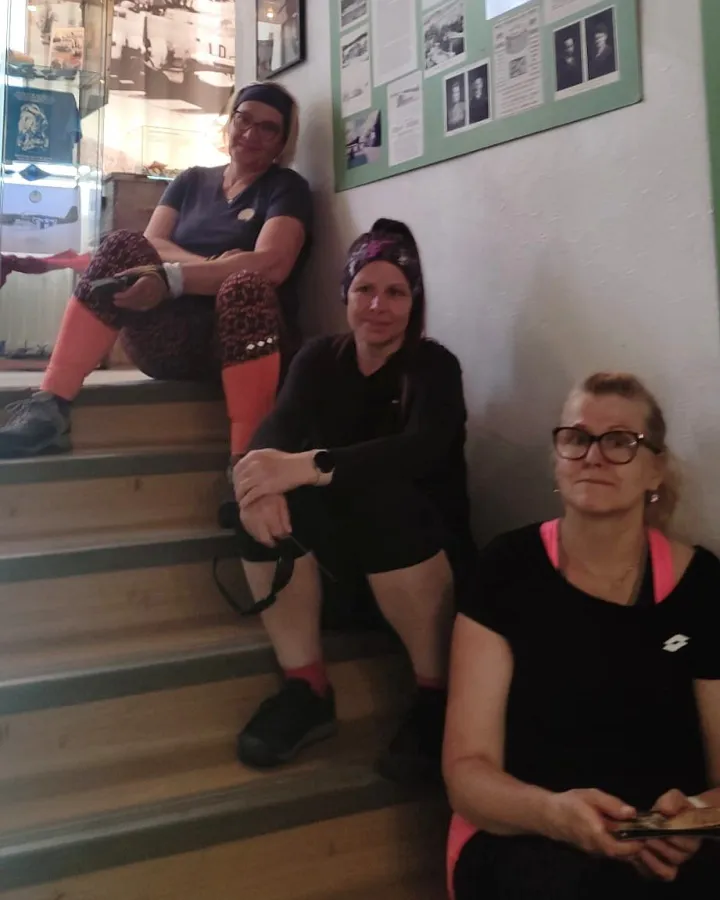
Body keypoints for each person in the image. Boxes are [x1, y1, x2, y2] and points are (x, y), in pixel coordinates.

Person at [444, 373, 720, 899]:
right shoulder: (506, 568)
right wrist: (554, 815)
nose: (593, 455)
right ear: (558, 459)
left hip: (667, 847)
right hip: (529, 834)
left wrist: (694, 819)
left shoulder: (703, 584)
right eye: (576, 438)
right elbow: (466, 773)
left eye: (620, 441)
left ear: (655, 469)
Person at [230, 219, 477, 782]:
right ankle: (306, 688)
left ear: (415, 302)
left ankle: (436, 695)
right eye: (365, 288)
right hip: (340, 573)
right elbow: (275, 429)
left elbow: (416, 451)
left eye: (396, 292)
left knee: (383, 499)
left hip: (421, 566)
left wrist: (307, 466)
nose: (378, 305)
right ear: (346, 293)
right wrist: (256, 485)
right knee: (260, 509)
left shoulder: (434, 368)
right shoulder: (318, 358)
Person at [0, 81, 312, 460]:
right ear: (229, 122)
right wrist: (213, 267)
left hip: (243, 343)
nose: (250, 134)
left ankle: (249, 460)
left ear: (283, 142)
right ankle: (49, 406)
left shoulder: (287, 188)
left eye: (267, 128)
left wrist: (175, 276)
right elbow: (150, 245)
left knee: (246, 284)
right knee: (122, 244)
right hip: (168, 339)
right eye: (243, 120)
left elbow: (271, 264)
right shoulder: (191, 180)